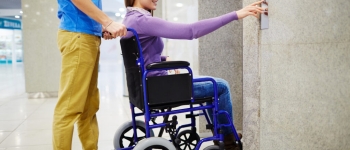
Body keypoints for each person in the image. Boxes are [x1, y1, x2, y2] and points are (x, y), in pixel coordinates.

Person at [122, 0, 263, 149]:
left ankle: (220, 131)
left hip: (149, 86)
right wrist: (235, 15)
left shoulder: (130, 20)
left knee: (208, 82)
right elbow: (191, 31)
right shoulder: (143, 21)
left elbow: (139, 57)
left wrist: (163, 59)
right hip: (160, 89)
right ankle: (228, 139)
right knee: (220, 86)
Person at [52, 0, 127, 149]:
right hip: (77, 36)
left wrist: (99, 27)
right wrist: (108, 21)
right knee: (69, 107)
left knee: (89, 105)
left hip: (87, 37)